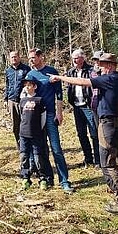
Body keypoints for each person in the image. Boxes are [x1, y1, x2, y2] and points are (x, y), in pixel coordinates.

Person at [51, 53, 118, 214]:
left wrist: (60, 78)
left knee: (108, 163)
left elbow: (83, 82)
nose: (98, 68)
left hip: (108, 124)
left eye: (101, 65)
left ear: (109, 66)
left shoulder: (108, 79)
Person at [27, 48, 74, 193]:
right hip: (36, 116)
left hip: (50, 114)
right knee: (41, 149)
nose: (31, 60)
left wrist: (59, 113)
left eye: (34, 57)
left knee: (56, 149)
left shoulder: (51, 71)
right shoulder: (30, 74)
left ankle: (64, 180)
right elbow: (27, 95)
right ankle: (48, 178)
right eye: (30, 58)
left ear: (41, 57)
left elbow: (59, 95)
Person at [19, 73, 54, 190]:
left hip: (36, 134)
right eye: (25, 85)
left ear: (35, 86)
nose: (27, 87)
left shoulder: (40, 100)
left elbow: (43, 117)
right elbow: (21, 116)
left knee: (38, 157)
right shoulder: (22, 101)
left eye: (29, 85)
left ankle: (42, 178)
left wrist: (39, 129)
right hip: (23, 133)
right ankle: (25, 178)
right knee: (24, 156)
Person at [66, 48, 99, 168]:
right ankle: (88, 158)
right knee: (81, 134)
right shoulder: (71, 72)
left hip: (88, 106)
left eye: (77, 57)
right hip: (76, 106)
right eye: (73, 58)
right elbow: (69, 88)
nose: (75, 60)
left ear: (83, 58)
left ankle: (98, 160)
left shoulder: (90, 70)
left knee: (94, 133)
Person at [4, 50, 31, 149]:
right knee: (15, 125)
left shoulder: (26, 69)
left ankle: (27, 144)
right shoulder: (8, 71)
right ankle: (20, 145)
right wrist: (5, 99)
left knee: (26, 123)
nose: (14, 59)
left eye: (15, 56)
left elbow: (29, 85)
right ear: (9, 59)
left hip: (24, 101)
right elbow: (7, 85)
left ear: (19, 57)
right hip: (12, 100)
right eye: (12, 57)